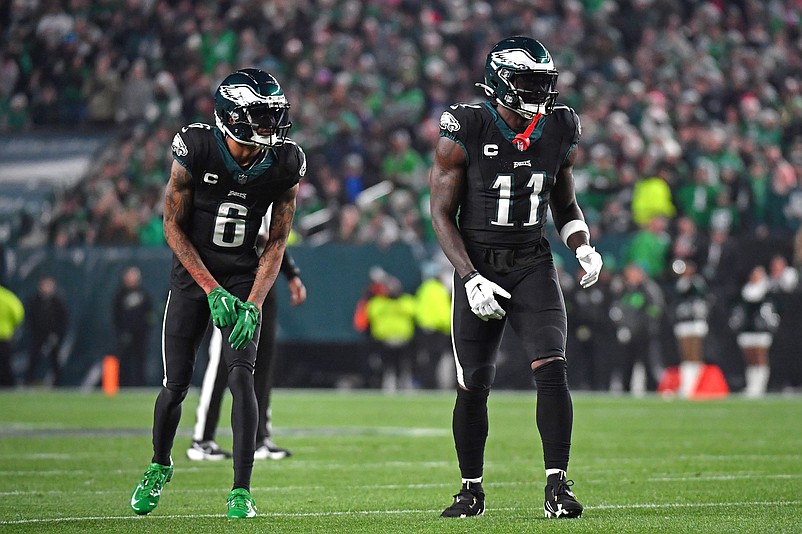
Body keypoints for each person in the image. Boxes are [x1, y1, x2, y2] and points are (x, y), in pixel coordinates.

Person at [428, 36, 603, 519]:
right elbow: (441, 214)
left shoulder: (560, 126)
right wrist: (468, 276)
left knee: (552, 365)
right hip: (479, 261)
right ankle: (470, 490)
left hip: (531, 261)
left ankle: (557, 485)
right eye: (528, 82)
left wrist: (582, 243)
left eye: (544, 83)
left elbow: (564, 203)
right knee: (474, 382)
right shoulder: (466, 126)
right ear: (502, 83)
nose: (539, 93)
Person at [130, 68, 305, 520]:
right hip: (193, 276)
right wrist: (209, 289)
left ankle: (241, 490)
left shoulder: (286, 162)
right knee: (175, 385)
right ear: (231, 115)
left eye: (273, 116)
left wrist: (254, 300)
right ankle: (158, 463)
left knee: (241, 376)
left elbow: (277, 241)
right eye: (259, 116)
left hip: (244, 274)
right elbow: (172, 225)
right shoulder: (197, 146)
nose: (269, 126)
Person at [187, 248, 306, 461]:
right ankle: (202, 439)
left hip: (264, 281)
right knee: (221, 361)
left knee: (263, 359)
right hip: (234, 276)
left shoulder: (272, 215)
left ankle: (259, 438)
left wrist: (290, 273)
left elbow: (275, 238)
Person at [112, 265, 154, 386]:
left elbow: (149, 314)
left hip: (140, 335)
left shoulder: (144, 294)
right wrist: (121, 332)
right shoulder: (120, 295)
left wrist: (146, 329)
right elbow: (116, 315)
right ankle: (124, 385)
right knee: (125, 361)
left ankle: (140, 385)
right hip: (125, 335)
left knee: (140, 361)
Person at [24, 275, 68, 386]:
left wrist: (57, 335)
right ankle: (28, 381)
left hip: (53, 335)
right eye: (45, 285)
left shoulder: (58, 302)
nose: (47, 288)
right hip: (38, 335)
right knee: (33, 359)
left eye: (50, 285)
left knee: (55, 360)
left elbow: (63, 320)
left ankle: (58, 384)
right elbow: (31, 319)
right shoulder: (35, 301)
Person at [0, 284, 24, 387]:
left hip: (5, 337)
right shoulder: (7, 296)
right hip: (5, 336)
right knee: (6, 364)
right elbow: (18, 313)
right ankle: (9, 387)